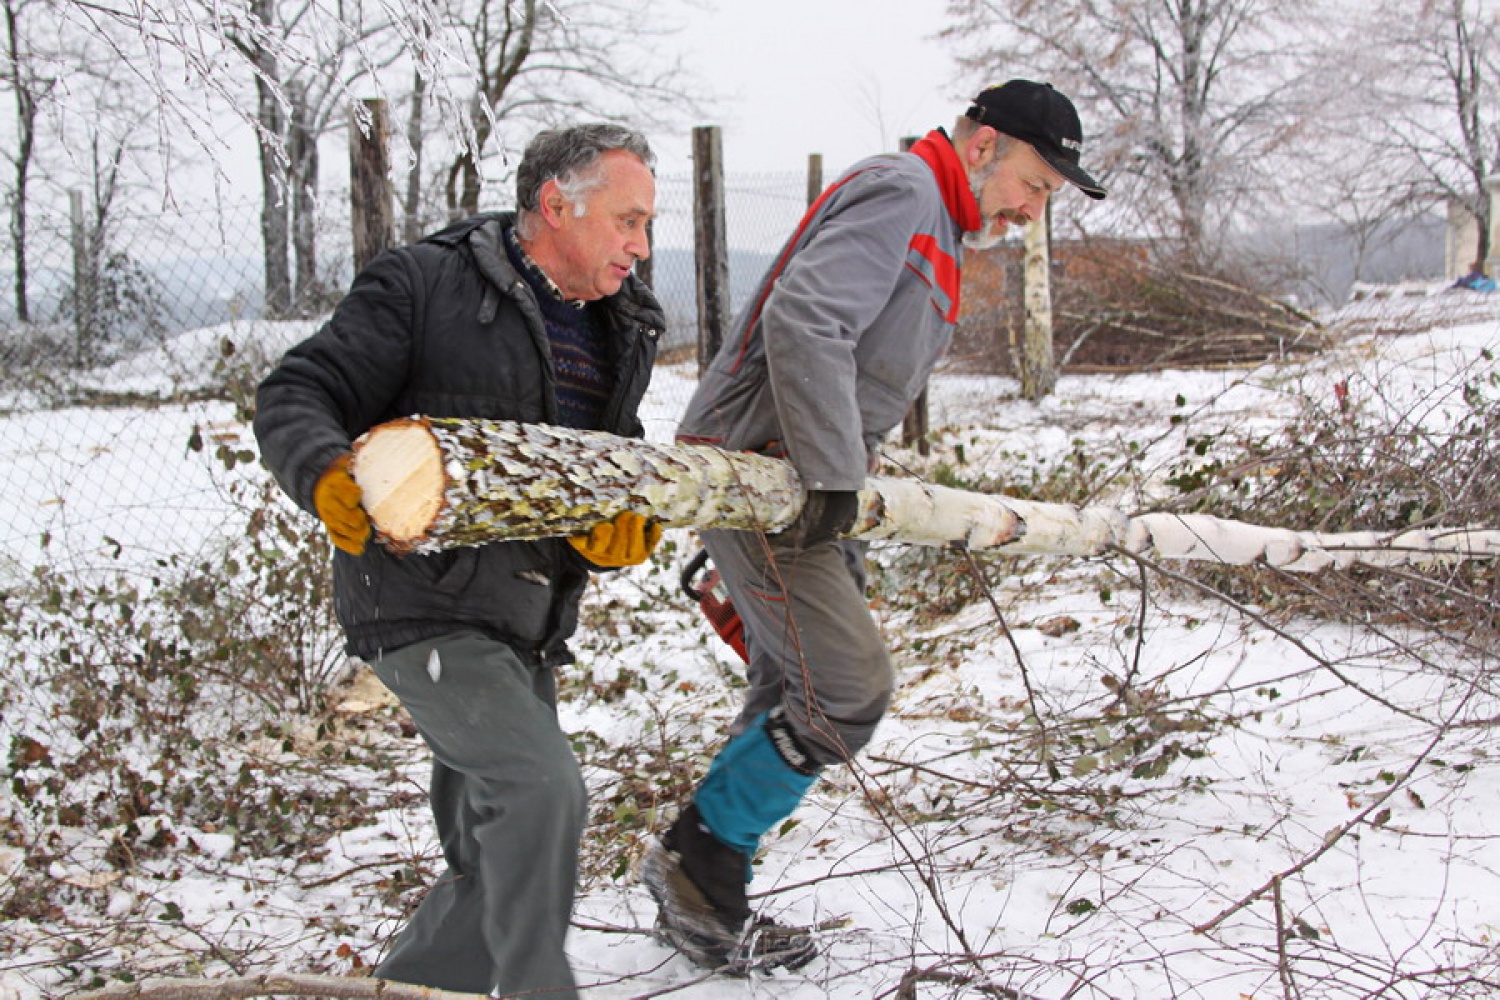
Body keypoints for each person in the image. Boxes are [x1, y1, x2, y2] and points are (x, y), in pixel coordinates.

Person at [641, 80, 1108, 972]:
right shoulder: (905, 192)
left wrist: (846, 475)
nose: (1032, 208)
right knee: (847, 689)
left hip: (803, 470)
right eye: (1037, 183)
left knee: (793, 684)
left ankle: (709, 890)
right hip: (765, 471)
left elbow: (852, 362)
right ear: (985, 146)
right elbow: (806, 320)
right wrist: (824, 477)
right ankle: (695, 858)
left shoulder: (935, 215)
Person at [253, 122, 665, 998]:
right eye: (628, 220)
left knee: (491, 857)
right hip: (419, 600)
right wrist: (324, 469)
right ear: (556, 205)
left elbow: (605, 456)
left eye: (647, 226)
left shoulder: (619, 324)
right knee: (540, 793)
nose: (640, 245)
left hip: (526, 616)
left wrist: (621, 517)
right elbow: (300, 391)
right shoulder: (424, 285)